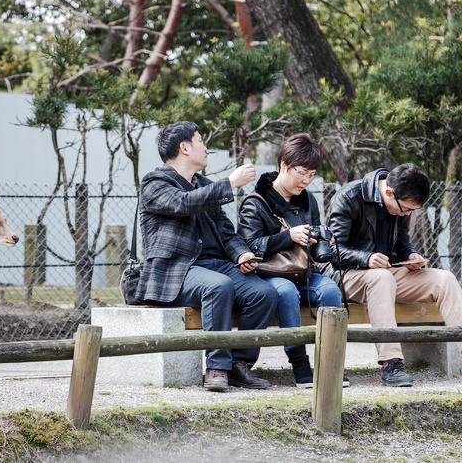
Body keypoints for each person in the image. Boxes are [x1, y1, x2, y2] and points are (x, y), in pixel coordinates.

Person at [323, 163, 462, 386]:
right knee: (381, 278)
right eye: (405, 210)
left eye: (411, 211)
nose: (406, 214)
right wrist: (366, 258)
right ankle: (391, 363)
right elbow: (331, 251)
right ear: (389, 192)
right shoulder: (349, 196)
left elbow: (402, 242)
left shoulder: (401, 203)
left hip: (386, 274)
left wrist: (411, 255)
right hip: (346, 275)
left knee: (444, 279)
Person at [135, 121, 278, 392]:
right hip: (177, 271)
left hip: (218, 266)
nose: (206, 147)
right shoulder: (155, 182)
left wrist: (241, 253)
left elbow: (226, 232)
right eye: (201, 141)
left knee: (264, 293)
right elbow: (183, 203)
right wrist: (231, 183)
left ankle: (240, 366)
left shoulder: (205, 185)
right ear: (185, 147)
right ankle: (217, 367)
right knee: (218, 286)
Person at [237, 134, 345, 389]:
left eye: (312, 175)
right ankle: (299, 363)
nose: (307, 181)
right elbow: (249, 246)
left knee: (330, 288)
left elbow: (315, 233)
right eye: (302, 173)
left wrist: (321, 242)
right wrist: (287, 236)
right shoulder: (256, 202)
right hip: (269, 274)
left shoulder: (308, 199)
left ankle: (331, 362)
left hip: (304, 272)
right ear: (284, 164)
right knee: (285, 292)